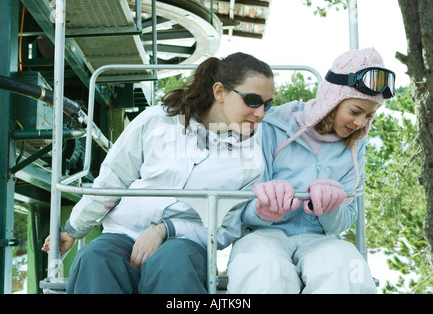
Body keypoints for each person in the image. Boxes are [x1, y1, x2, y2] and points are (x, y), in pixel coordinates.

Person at [41, 52, 275, 294]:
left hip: (185, 241)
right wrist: (72, 229)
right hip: (125, 232)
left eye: (267, 104)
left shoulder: (251, 156)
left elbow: (227, 227)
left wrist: (166, 229)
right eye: (252, 100)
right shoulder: (158, 121)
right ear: (220, 92)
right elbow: (114, 178)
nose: (261, 113)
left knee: (174, 265)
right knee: (94, 258)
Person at [227, 47, 395, 294]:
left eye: (370, 116)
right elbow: (242, 210)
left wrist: (331, 207)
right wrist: (263, 208)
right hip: (263, 235)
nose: (360, 123)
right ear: (332, 101)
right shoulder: (273, 127)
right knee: (264, 269)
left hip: (319, 240)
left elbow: (343, 222)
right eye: (355, 111)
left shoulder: (355, 146)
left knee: (347, 268)